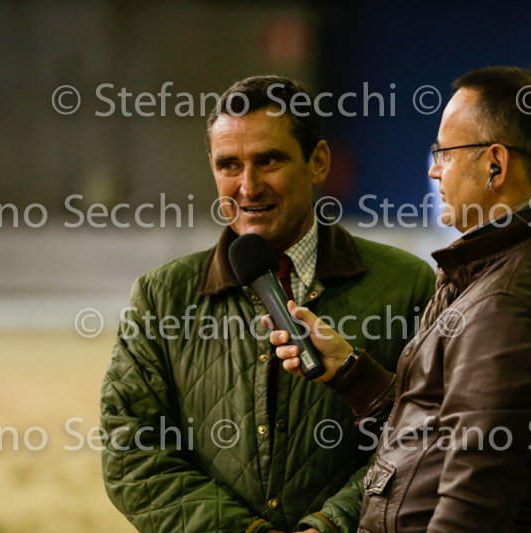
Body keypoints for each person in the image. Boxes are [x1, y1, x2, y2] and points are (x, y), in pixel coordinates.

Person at [271, 66, 531, 532]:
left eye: (444, 152)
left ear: (495, 165)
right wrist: (351, 372)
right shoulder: (513, 272)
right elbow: (435, 440)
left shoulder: (507, 303)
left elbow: (472, 506)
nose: (434, 169)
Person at [100, 75, 435, 533]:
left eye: (269, 160)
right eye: (229, 165)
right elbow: (131, 452)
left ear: (318, 162)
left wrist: (330, 525)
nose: (248, 186)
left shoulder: (408, 285)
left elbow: (427, 437)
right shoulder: (161, 297)